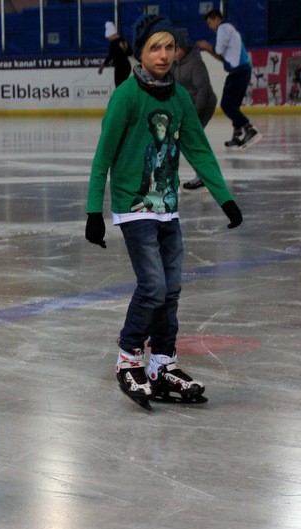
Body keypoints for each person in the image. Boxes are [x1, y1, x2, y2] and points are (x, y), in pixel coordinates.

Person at [85, 13, 243, 412]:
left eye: (170, 47)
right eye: (155, 47)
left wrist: (224, 197)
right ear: (141, 51)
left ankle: (161, 363)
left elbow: (199, 149)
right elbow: (103, 155)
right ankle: (128, 358)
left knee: (171, 289)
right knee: (153, 285)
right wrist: (93, 211)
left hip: (167, 206)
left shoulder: (179, 98)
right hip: (133, 205)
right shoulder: (127, 95)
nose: (164, 54)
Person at [196, 10, 260, 150]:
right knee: (233, 105)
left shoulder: (223, 28)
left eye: (210, 23)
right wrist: (208, 49)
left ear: (216, 19)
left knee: (226, 105)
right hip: (242, 70)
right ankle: (237, 135)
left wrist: (207, 47)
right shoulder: (230, 29)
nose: (210, 26)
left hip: (238, 71)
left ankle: (249, 128)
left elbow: (218, 51)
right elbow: (222, 57)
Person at [171, 29, 217, 190]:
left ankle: (204, 175)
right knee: (187, 141)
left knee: (191, 140)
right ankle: (202, 175)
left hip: (202, 106)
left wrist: (194, 116)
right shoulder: (175, 64)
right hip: (189, 108)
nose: (174, 53)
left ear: (184, 48)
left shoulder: (195, 63)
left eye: (177, 49)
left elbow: (203, 91)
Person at [98, 21, 133, 88]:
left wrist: (103, 65)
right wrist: (124, 49)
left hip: (120, 68)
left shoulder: (113, 43)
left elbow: (111, 55)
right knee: (124, 85)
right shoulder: (123, 40)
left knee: (118, 86)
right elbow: (130, 53)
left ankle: (122, 98)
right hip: (127, 66)